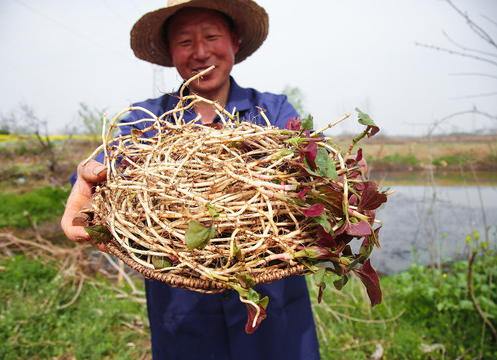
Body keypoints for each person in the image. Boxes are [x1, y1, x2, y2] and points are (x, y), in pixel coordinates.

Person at [61, 1, 321, 359]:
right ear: (170, 51)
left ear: (235, 40)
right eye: (185, 41)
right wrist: (84, 188)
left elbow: (314, 166)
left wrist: (336, 183)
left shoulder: (273, 112)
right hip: (186, 316)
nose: (200, 52)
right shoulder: (146, 121)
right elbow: (101, 172)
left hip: (273, 316)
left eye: (211, 36)